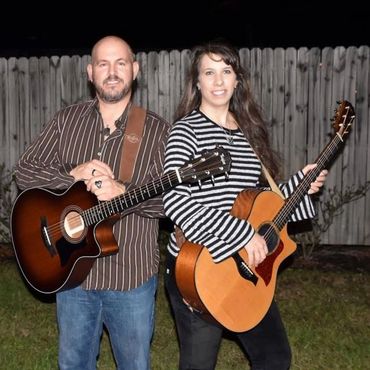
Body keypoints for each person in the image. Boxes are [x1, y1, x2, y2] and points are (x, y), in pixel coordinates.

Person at [163, 41, 328, 370]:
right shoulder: (185, 132)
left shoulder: (248, 134)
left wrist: (300, 185)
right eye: (209, 72)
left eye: (226, 71)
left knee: (275, 357)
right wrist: (241, 234)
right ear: (197, 83)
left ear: (238, 80)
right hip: (198, 266)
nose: (219, 80)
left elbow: (255, 205)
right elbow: (174, 200)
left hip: (245, 266)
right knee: (199, 365)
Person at [14, 36, 170, 370]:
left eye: (120, 63)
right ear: (90, 72)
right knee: (73, 364)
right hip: (70, 275)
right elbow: (25, 171)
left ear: (135, 69)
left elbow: (170, 202)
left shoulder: (156, 131)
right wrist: (71, 174)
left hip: (130, 277)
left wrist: (123, 191)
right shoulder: (65, 121)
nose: (112, 72)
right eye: (103, 63)